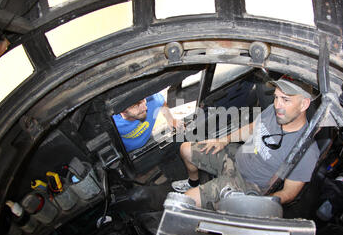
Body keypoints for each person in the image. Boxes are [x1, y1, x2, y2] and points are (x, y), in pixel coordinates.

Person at [171, 78, 320, 209]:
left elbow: (289, 193)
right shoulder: (275, 112)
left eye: (285, 99)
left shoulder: (306, 151)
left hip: (247, 183)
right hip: (238, 157)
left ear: (304, 104)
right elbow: (252, 128)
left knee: (185, 200)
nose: (277, 105)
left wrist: (262, 203)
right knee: (185, 149)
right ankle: (193, 182)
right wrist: (224, 139)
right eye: (276, 97)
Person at [113, 92, 183, 152]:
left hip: (148, 140)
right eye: (136, 105)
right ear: (121, 110)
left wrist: (170, 119)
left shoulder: (151, 100)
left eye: (143, 100)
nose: (145, 108)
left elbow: (161, 101)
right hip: (127, 151)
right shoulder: (113, 123)